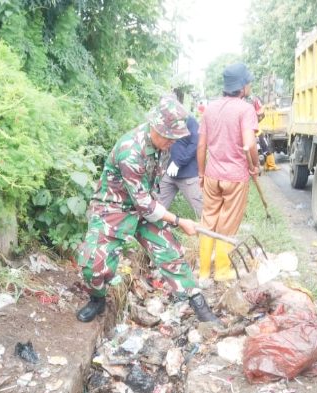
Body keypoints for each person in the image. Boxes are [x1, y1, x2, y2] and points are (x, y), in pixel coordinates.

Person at [75, 96, 218, 323]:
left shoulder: (163, 146)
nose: (173, 142)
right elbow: (144, 203)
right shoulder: (130, 150)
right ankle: (97, 299)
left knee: (169, 250)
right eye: (170, 137)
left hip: (143, 207)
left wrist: (167, 220)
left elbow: (147, 199)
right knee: (95, 264)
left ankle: (199, 305)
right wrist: (180, 221)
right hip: (113, 207)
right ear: (156, 128)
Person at [196, 63, 260, 282]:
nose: (250, 85)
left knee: (208, 221)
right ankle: (222, 271)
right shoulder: (245, 109)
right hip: (235, 177)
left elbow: (201, 146)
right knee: (227, 223)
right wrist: (255, 165)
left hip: (212, 175)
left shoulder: (210, 109)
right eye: (248, 82)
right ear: (241, 87)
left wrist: (202, 174)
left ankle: (204, 272)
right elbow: (250, 144)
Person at [157, 88, 204, 218]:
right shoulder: (162, 122)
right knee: (157, 208)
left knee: (203, 211)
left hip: (188, 175)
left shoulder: (189, 120)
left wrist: (178, 162)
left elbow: (196, 143)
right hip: (168, 174)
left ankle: (215, 234)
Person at [251, 96, 280, 172]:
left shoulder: (253, 105)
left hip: (254, 130)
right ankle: (270, 165)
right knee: (265, 146)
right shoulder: (254, 104)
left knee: (264, 146)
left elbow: (261, 115)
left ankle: (268, 165)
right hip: (254, 130)